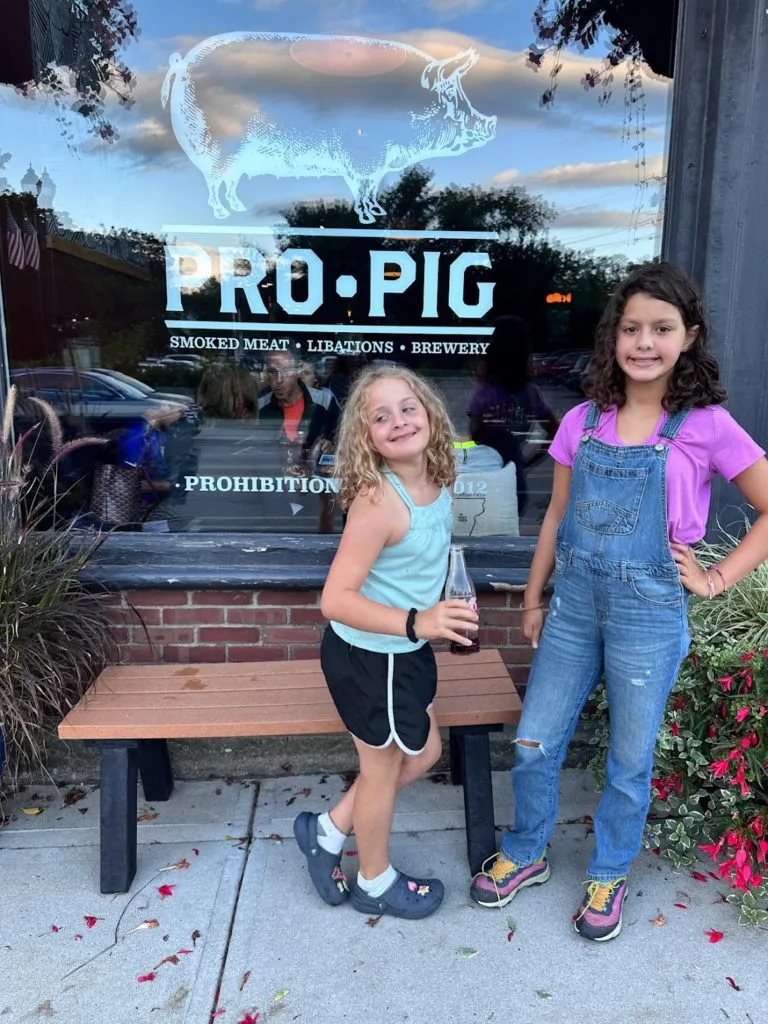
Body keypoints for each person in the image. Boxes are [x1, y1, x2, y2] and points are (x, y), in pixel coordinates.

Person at [469, 262, 768, 941]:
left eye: (661, 329)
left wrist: (716, 579)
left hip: (649, 616)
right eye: (631, 328)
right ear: (614, 336)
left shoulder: (708, 426)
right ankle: (527, 851)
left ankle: (608, 871)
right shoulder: (583, 419)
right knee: (534, 742)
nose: (644, 343)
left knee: (629, 762)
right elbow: (555, 516)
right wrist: (533, 597)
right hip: (573, 608)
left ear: (689, 336)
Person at [293, 365, 478, 919]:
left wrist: (434, 610)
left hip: (406, 651)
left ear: (430, 413)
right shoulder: (379, 501)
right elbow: (335, 599)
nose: (398, 421)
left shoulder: (438, 478)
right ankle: (374, 881)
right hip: (371, 657)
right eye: (381, 416)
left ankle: (327, 831)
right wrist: (419, 621)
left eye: (407, 408)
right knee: (380, 771)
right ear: (366, 436)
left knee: (427, 753)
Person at [466, 315, 559, 516]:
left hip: (485, 481)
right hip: (515, 483)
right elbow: (555, 431)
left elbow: (474, 436)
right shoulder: (530, 393)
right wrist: (527, 462)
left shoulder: (484, 394)